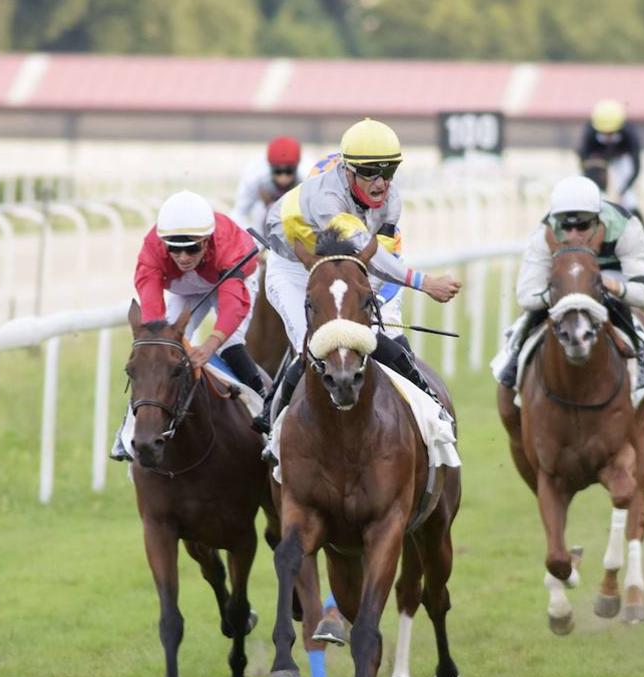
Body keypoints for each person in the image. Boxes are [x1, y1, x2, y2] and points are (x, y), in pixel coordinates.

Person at [258, 118, 461, 432]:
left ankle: (431, 403)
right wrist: (425, 283)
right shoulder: (327, 201)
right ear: (347, 171)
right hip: (295, 268)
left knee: (383, 334)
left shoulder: (391, 202)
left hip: (355, 266)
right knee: (313, 343)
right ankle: (274, 425)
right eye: (369, 173)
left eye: (389, 172)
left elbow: (378, 262)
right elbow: (365, 247)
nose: (381, 184)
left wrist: (363, 305)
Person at [110, 190, 264, 462]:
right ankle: (129, 429)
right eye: (174, 248)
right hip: (183, 286)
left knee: (229, 341)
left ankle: (267, 413)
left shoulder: (228, 245)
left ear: (207, 240)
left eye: (191, 247)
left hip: (229, 278)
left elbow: (232, 305)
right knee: (155, 352)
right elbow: (150, 302)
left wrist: (210, 344)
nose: (182, 256)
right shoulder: (153, 249)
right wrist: (160, 340)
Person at [494, 175, 644, 391]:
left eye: (582, 226)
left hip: (610, 274)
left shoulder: (625, 226)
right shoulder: (545, 233)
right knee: (531, 314)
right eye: (565, 226)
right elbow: (526, 296)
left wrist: (612, 286)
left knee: (619, 305)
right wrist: (559, 292)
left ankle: (641, 355)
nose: (573, 235)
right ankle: (514, 359)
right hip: (564, 279)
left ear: (598, 220)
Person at [578, 99, 644, 237]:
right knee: (591, 195)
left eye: (611, 133)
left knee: (629, 199)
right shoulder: (589, 131)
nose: (607, 137)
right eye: (604, 133)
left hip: (621, 159)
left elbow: (636, 168)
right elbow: (584, 162)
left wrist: (622, 191)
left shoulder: (630, 133)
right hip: (599, 160)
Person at [231, 136, 312, 239]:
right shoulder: (254, 176)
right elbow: (239, 213)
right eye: (277, 171)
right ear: (270, 166)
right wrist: (250, 241)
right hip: (263, 210)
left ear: (297, 166)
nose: (283, 178)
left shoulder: (308, 175)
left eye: (289, 171)